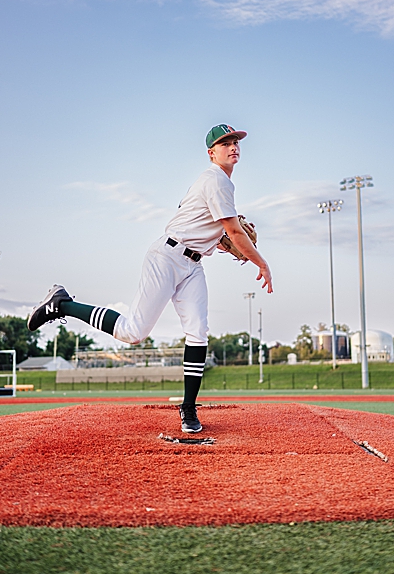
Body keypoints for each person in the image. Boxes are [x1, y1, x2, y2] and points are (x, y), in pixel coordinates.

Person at [27, 124, 274, 434]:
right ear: (212, 153)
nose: (233, 146)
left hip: (193, 265)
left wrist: (225, 243)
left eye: (235, 141)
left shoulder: (221, 184)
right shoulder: (215, 180)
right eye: (225, 142)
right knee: (132, 332)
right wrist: (260, 262)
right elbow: (234, 231)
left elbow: (220, 234)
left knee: (198, 332)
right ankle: (63, 304)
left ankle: (188, 408)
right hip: (167, 257)